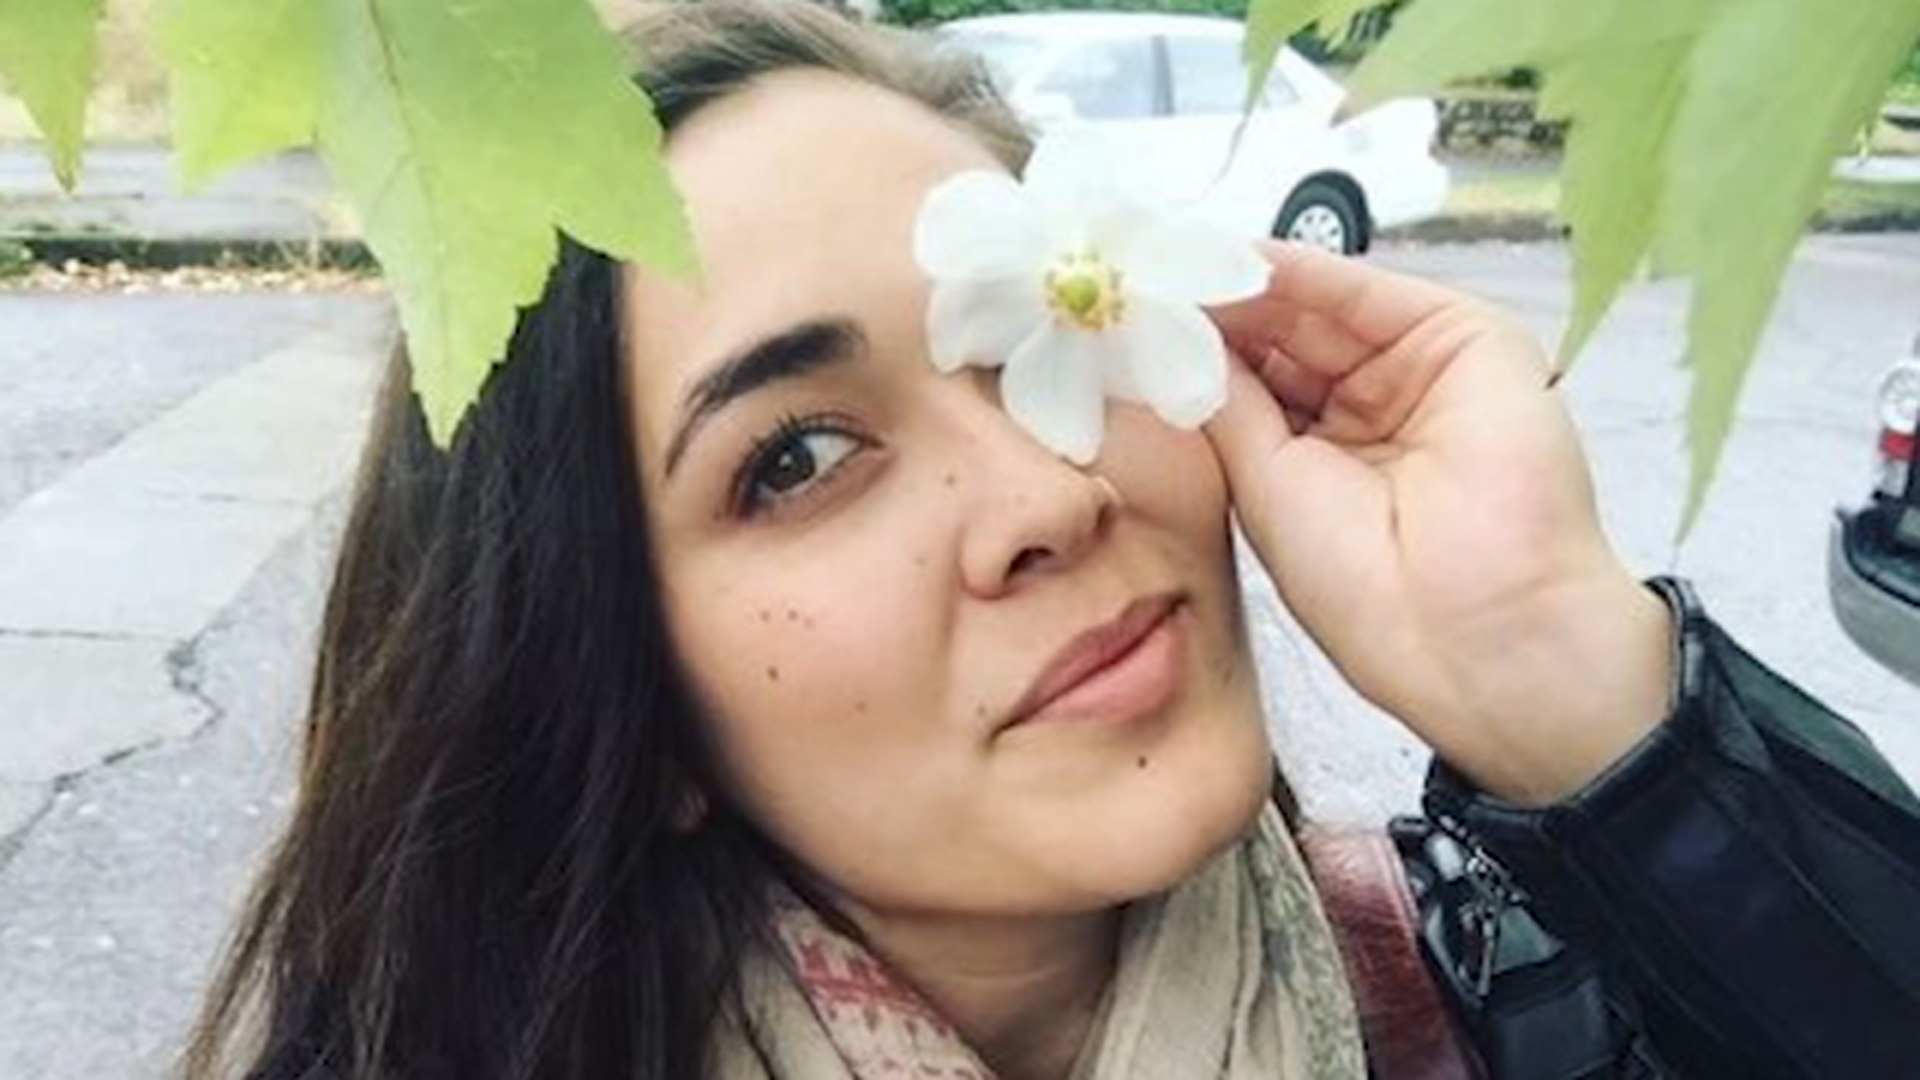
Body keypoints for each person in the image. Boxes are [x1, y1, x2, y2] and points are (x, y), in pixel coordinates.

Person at [183, 3, 1920, 1078]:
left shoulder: (1539, 1007)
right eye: (797, 457)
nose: (1047, 496)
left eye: (1043, 343)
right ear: (628, 702)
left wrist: (1573, 685)